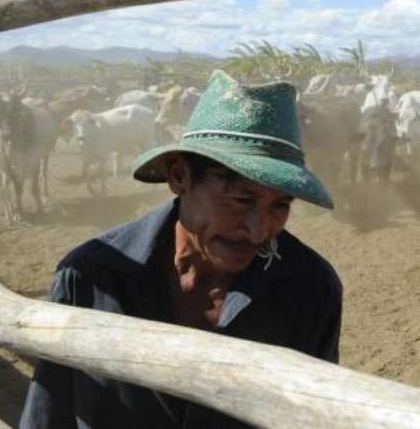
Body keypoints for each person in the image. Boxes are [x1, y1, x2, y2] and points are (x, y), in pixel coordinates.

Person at [20, 70, 342, 428]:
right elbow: (47, 418)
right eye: (239, 199)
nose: (258, 230)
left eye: (280, 206)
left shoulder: (310, 288)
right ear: (179, 176)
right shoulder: (90, 277)